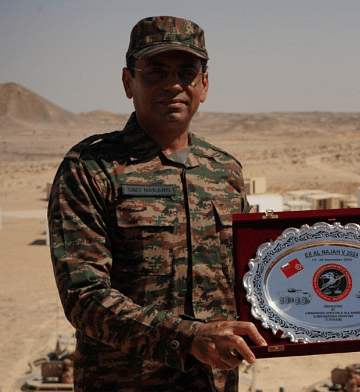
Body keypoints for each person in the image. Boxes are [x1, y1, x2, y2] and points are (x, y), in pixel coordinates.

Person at [48, 16, 267, 392]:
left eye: (187, 71)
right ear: (128, 82)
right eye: (155, 72)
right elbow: (83, 298)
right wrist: (189, 338)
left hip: (214, 383)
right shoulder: (91, 168)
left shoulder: (224, 170)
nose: (173, 85)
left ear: (205, 84)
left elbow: (248, 279)